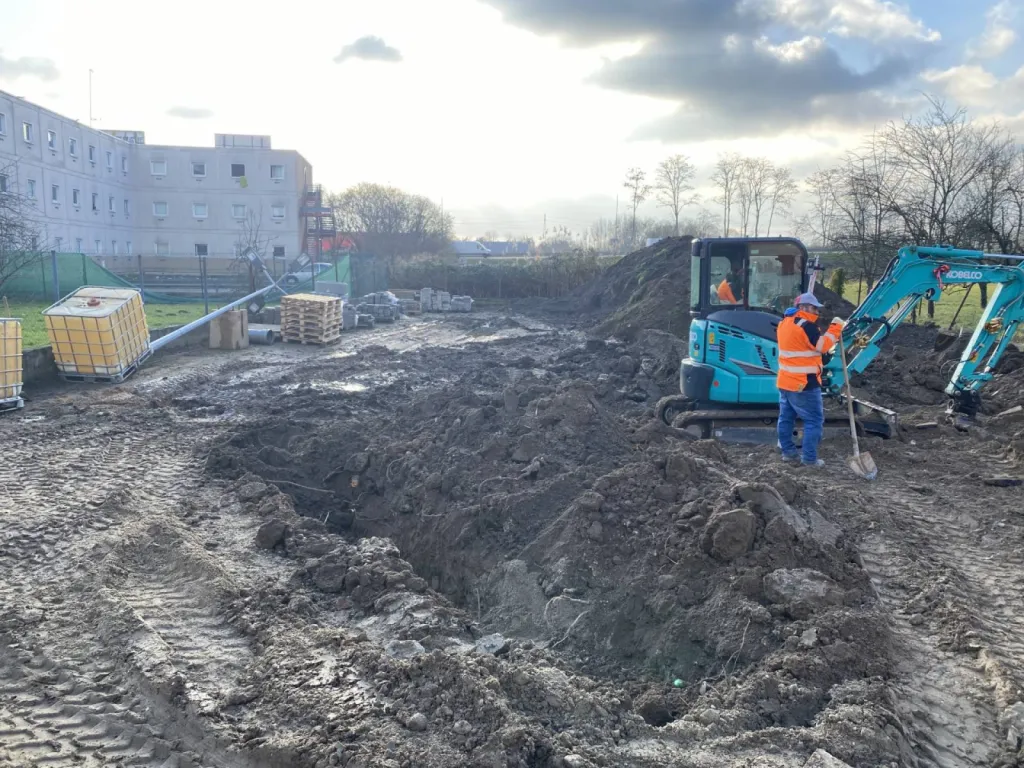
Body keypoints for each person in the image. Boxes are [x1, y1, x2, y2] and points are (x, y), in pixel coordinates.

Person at [776, 292, 845, 467]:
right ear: (804, 307)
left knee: (785, 419)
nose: (817, 312)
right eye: (814, 308)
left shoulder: (784, 323)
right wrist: (836, 327)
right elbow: (823, 346)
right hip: (804, 383)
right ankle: (809, 459)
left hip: (785, 381)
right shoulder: (807, 326)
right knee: (813, 421)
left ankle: (788, 454)